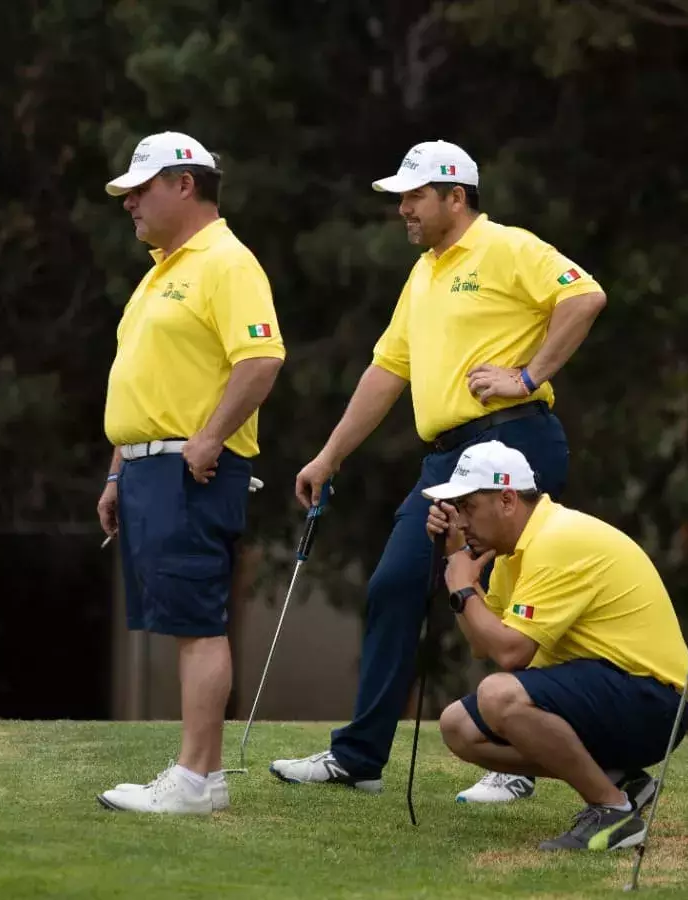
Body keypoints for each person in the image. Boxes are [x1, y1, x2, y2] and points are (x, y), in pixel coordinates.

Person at [270, 140, 607, 804]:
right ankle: (360, 757)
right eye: (402, 197)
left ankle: (517, 759)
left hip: (516, 443)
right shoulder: (422, 274)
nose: (403, 209)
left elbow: (585, 297)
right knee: (395, 584)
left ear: (456, 196)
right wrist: (328, 454)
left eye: (414, 196)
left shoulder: (507, 247)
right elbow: (385, 372)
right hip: (448, 459)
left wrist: (528, 375)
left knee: (512, 598)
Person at [92, 131, 286, 815]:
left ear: (184, 183)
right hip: (149, 470)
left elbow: (260, 361)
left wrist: (209, 439)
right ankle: (202, 774)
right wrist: (118, 474)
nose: (130, 205)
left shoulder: (226, 262)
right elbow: (146, 384)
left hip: (192, 467)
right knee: (183, 621)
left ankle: (196, 781)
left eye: (139, 190)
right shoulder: (161, 271)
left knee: (200, 622)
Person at [419, 440, 688, 850]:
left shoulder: (555, 540)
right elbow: (484, 643)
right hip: (618, 690)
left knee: (498, 695)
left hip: (658, 702)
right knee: (458, 727)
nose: (460, 522)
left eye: (467, 507)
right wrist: (459, 570)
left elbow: (511, 654)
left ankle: (614, 811)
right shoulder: (511, 553)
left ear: (506, 499)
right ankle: (615, 779)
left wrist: (463, 586)